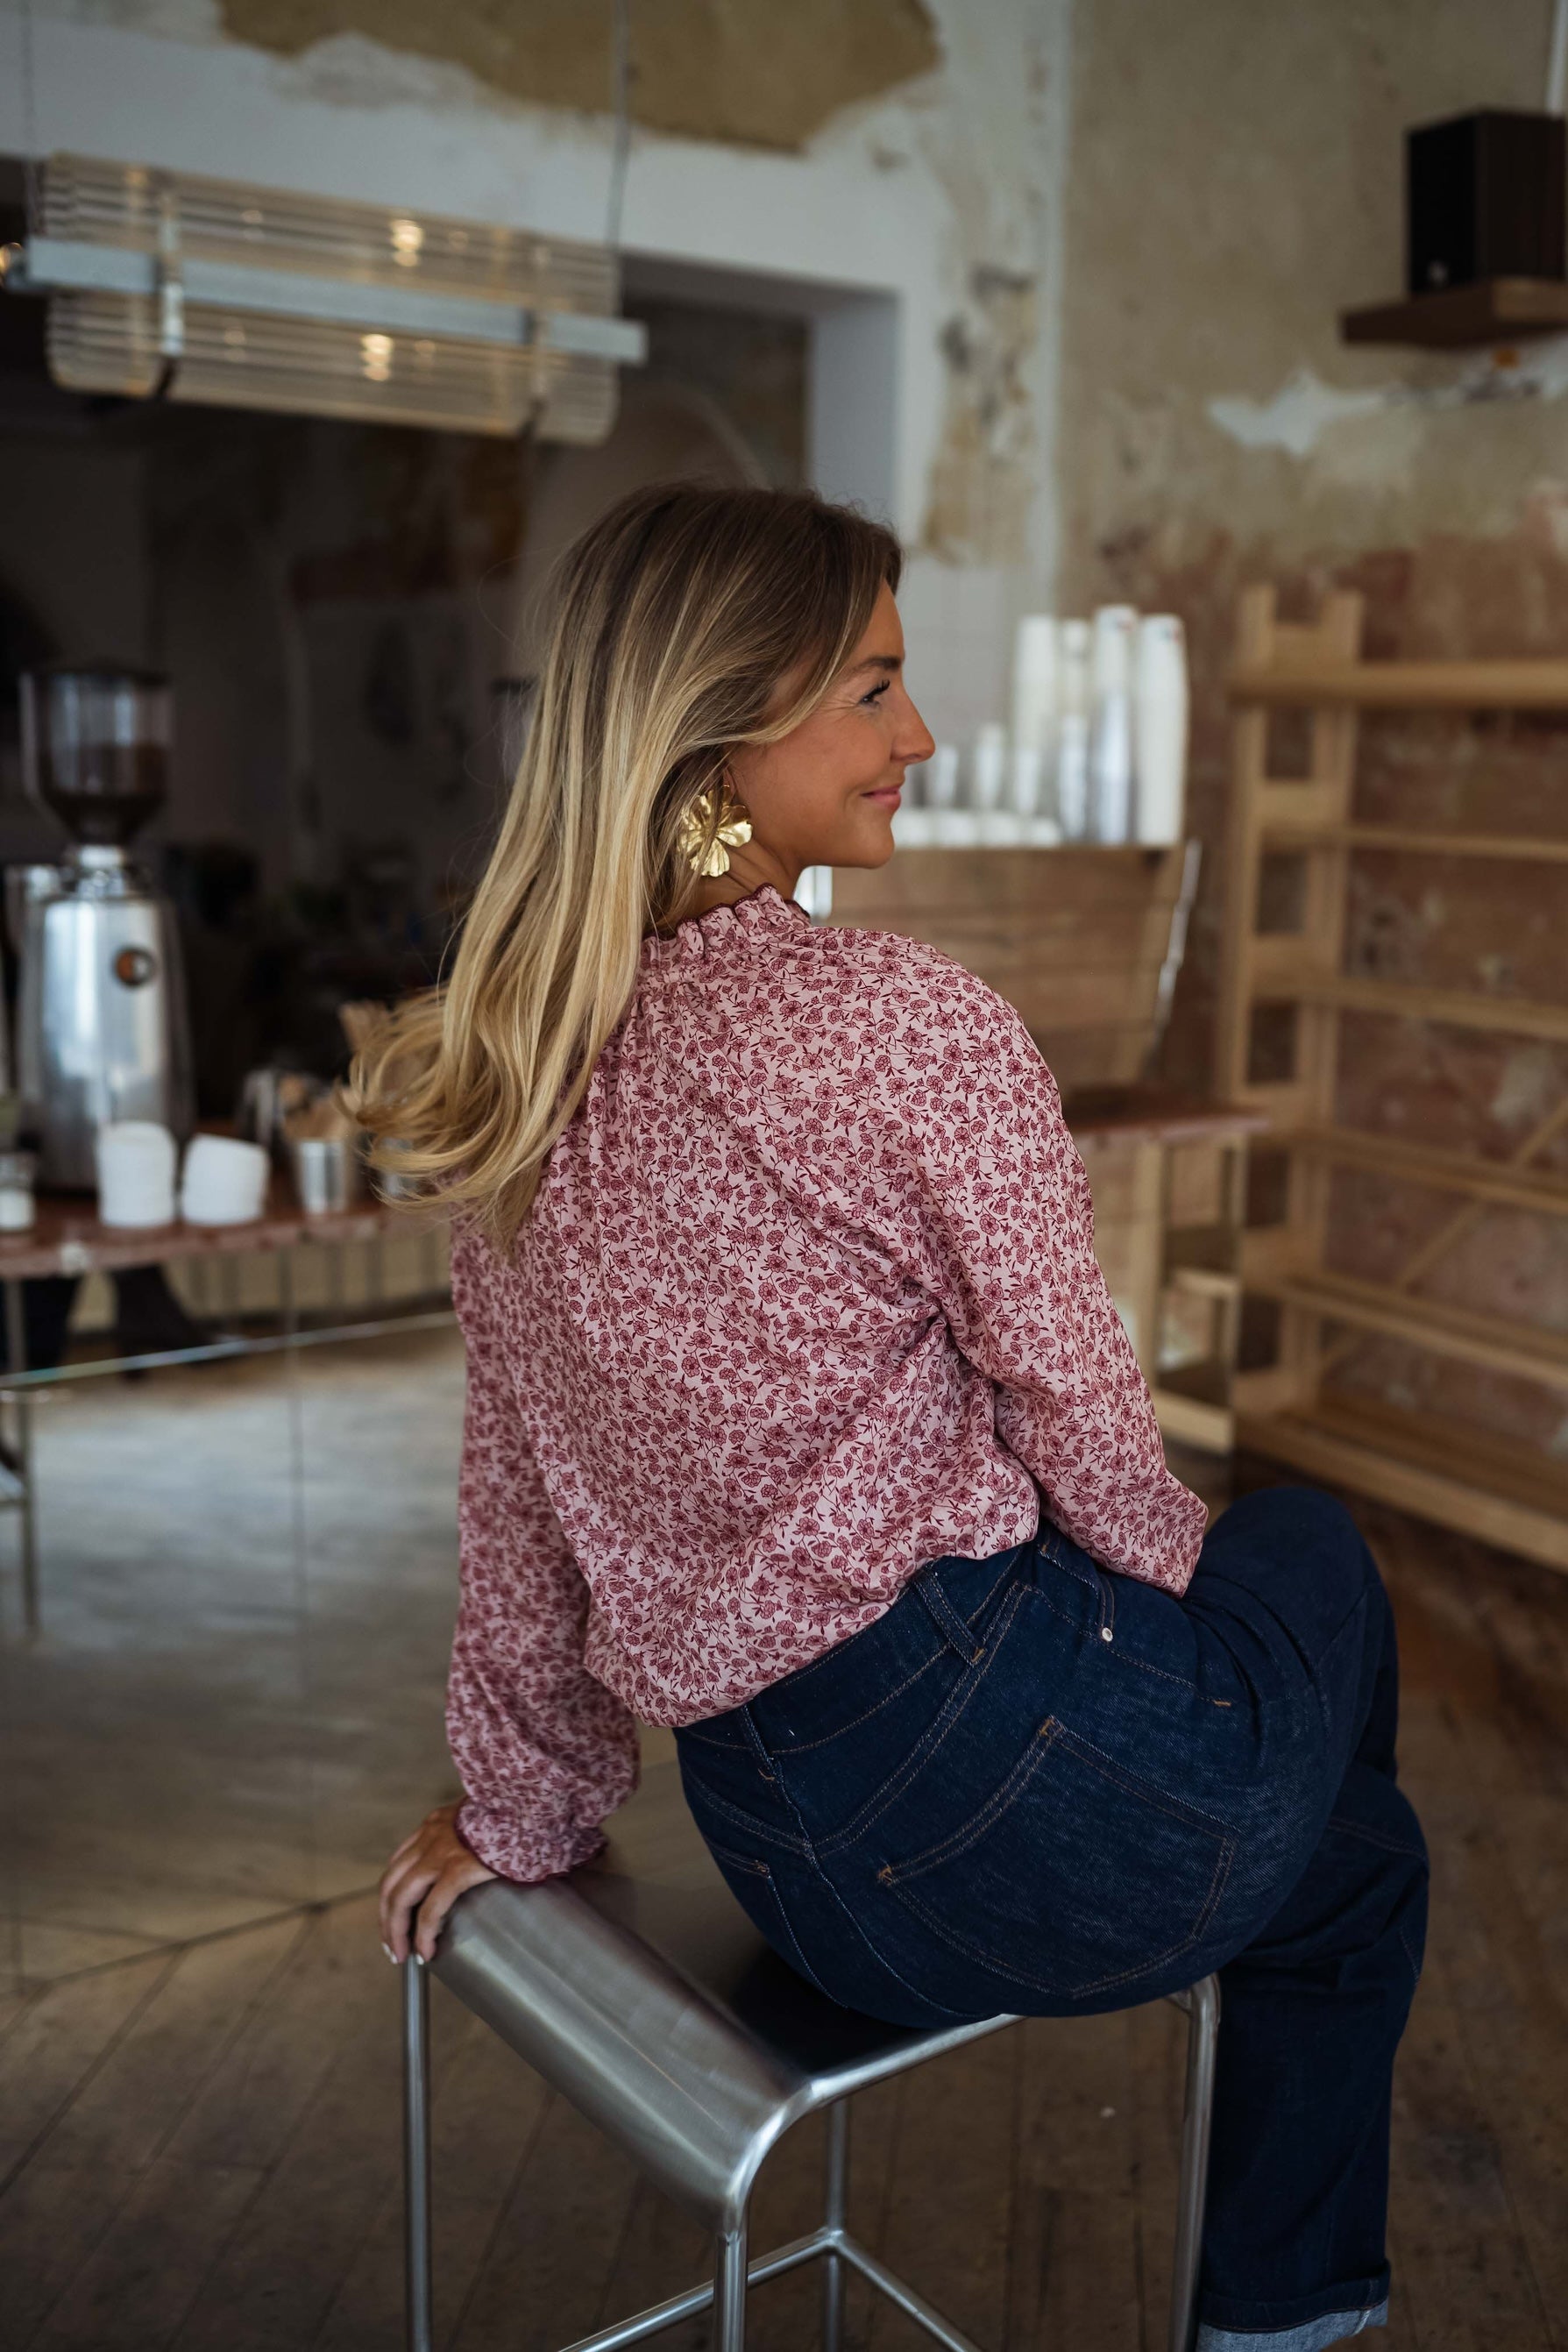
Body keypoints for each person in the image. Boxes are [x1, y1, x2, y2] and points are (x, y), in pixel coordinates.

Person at [367, 485, 1426, 2352]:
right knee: (1306, 1550)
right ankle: (1277, 2298)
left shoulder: (523, 1076)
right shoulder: (903, 1024)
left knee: (1357, 1864)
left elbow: (518, 1510)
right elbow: (1077, 1402)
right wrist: (1172, 1638)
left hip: (793, 1861)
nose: (915, 735)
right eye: (871, 687)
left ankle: (1278, 1882)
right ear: (719, 723)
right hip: (1020, 1785)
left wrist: (519, 1811)